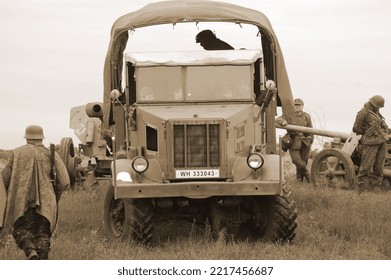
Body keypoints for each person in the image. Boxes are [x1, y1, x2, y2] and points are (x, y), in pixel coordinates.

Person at [1, 125, 70, 259]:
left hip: (22, 203)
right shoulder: (51, 154)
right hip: (46, 205)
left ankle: (30, 250)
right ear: (41, 138)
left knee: (21, 230)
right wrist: (54, 194)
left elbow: (4, 179)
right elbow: (65, 180)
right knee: (43, 235)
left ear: (27, 138)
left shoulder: (16, 153)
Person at [352, 95, 389, 192]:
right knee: (365, 169)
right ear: (373, 104)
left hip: (381, 142)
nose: (378, 109)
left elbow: (383, 126)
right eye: (378, 106)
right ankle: (361, 192)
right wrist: (368, 131)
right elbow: (356, 128)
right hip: (369, 144)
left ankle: (374, 191)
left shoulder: (377, 114)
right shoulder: (363, 113)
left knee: (378, 170)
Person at [276, 98, 314, 182]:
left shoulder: (306, 116)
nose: (297, 107)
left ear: (302, 106)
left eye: (299, 105)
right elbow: (277, 119)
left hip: (305, 142)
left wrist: (310, 141)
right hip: (293, 141)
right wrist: (283, 121)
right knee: (297, 161)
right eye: (295, 105)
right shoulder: (289, 115)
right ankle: (308, 177)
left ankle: (299, 180)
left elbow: (311, 129)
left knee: (304, 162)